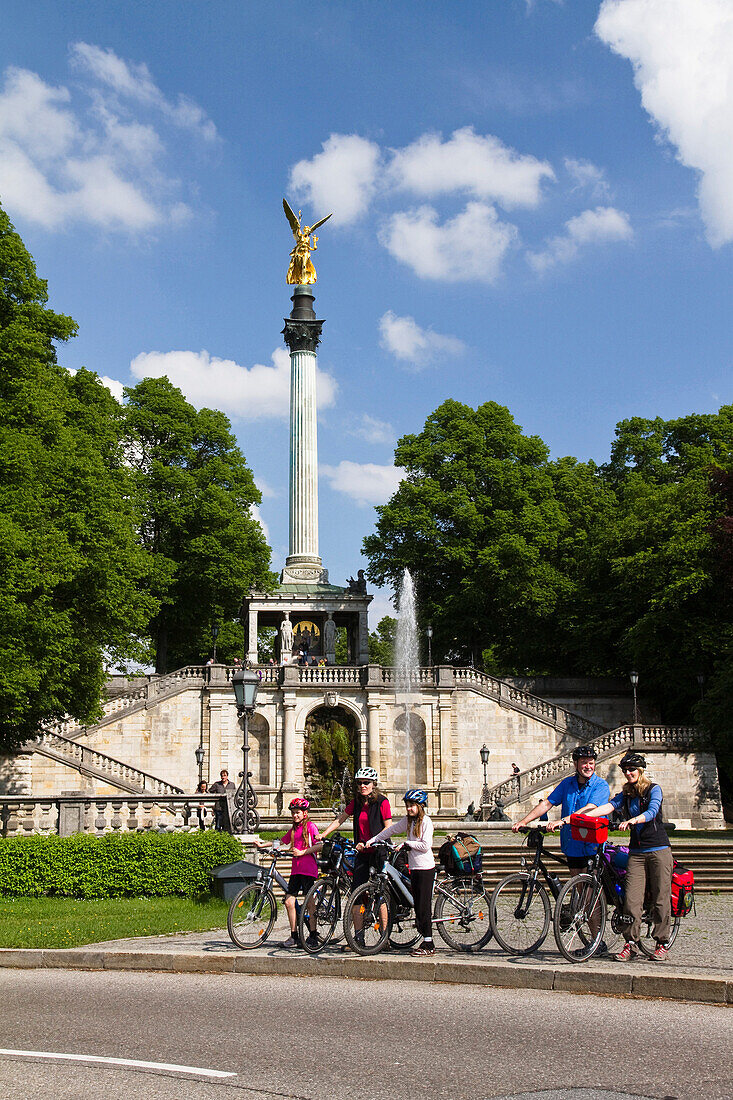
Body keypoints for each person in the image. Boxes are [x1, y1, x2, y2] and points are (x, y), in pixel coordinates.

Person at [582, 752, 673, 961]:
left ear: (640, 771)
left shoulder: (653, 789)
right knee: (631, 900)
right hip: (637, 853)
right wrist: (584, 816)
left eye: (631, 770)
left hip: (658, 849)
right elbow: (609, 806)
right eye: (625, 770)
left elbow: (652, 811)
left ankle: (662, 942)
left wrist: (633, 821)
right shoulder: (627, 793)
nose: (628, 773)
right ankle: (630, 944)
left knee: (660, 897)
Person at [321, 766, 392, 942]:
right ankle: (358, 938)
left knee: (379, 893)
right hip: (362, 852)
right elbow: (340, 819)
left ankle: (384, 938)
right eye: (359, 783)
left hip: (378, 852)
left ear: (373, 784)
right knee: (356, 894)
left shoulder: (382, 802)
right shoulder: (357, 802)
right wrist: (323, 834)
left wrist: (374, 840)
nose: (362, 786)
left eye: (366, 783)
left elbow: (389, 827)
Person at [362, 788, 436, 957]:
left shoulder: (426, 822)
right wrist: (374, 840)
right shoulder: (409, 821)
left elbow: (425, 845)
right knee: (417, 905)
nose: (409, 808)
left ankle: (429, 943)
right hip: (415, 868)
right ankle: (425, 939)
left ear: (420, 806)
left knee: (423, 906)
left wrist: (407, 844)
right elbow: (392, 830)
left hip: (425, 868)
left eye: (412, 805)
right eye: (407, 805)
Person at [254, 797, 321, 948]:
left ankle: (313, 934)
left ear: (305, 813)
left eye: (298, 812)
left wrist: (303, 852)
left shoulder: (311, 827)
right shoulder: (294, 830)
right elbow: (281, 842)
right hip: (296, 870)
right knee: (289, 901)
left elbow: (319, 845)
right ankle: (294, 936)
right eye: (293, 813)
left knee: (310, 902)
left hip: (308, 870)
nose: (295, 815)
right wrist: (262, 844)